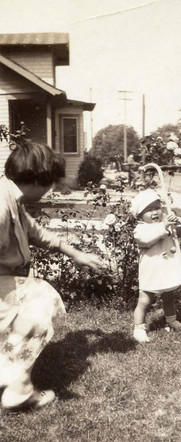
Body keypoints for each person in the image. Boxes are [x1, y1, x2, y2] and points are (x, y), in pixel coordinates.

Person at [0, 142, 104, 411]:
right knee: (41, 302)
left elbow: (37, 233)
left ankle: (11, 373)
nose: (52, 190)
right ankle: (19, 387)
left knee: (35, 301)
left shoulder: (12, 198)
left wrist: (75, 253)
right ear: (39, 179)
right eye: (52, 183)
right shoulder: (0, 207)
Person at [130, 189, 181, 342]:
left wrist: (177, 223)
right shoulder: (141, 229)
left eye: (157, 208)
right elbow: (146, 240)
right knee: (144, 301)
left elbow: (179, 233)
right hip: (152, 271)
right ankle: (139, 328)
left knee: (169, 297)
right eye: (148, 210)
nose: (154, 212)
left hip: (166, 269)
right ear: (139, 215)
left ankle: (171, 320)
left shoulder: (165, 224)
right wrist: (164, 227)